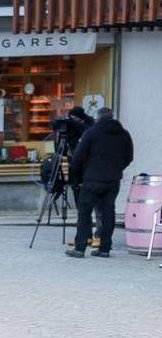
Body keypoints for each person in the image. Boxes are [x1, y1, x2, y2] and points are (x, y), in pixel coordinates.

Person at [68, 107, 134, 258]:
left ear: (98, 118)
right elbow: (129, 157)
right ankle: (104, 248)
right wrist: (116, 169)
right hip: (113, 180)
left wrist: (77, 178)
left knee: (84, 212)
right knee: (108, 212)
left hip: (92, 179)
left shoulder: (91, 132)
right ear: (112, 117)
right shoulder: (124, 134)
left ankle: (80, 247)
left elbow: (77, 157)